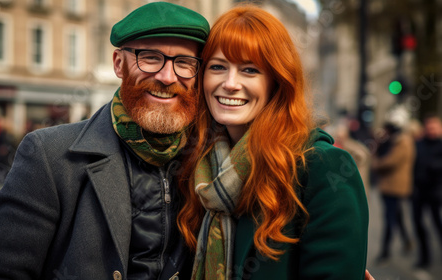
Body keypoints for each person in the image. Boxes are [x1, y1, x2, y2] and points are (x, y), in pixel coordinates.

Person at [0, 2, 209, 279]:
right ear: (119, 63)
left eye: (184, 63)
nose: (167, 77)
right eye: (150, 57)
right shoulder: (49, 155)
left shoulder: (209, 159)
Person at [177, 5, 369, 279]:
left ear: (276, 82)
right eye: (218, 67)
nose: (230, 83)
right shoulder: (196, 163)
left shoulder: (322, 167)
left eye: (249, 70)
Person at [372, 122, 415, 264]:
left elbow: (391, 161)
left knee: (389, 218)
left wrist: (376, 164)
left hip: (394, 186)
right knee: (397, 215)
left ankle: (385, 251)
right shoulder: (393, 141)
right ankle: (406, 240)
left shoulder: (402, 142)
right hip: (390, 185)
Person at [411, 114, 442, 268]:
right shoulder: (419, 144)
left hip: (436, 192)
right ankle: (424, 258)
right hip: (419, 191)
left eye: (434, 127)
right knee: (418, 224)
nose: (431, 130)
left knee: (438, 224)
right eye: (429, 127)